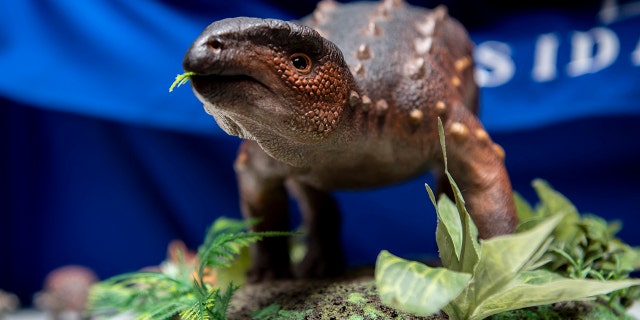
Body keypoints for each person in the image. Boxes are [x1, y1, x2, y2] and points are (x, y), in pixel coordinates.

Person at [1, 0, 638, 306]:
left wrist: (502, 271)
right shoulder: (262, 149)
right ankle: (319, 242)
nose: (214, 56)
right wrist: (270, 263)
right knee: (290, 168)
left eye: (298, 62)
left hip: (425, 61)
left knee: (459, 180)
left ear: (318, 70)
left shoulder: (417, 114)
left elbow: (482, 166)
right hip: (308, 155)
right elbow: (260, 187)